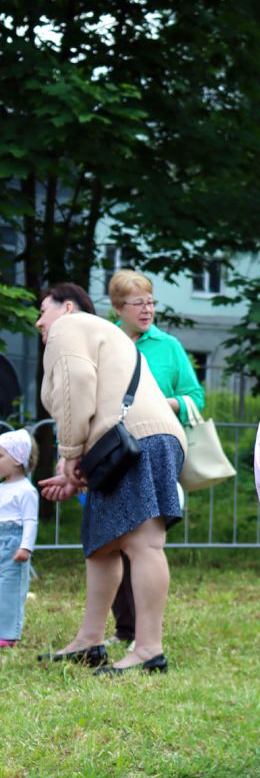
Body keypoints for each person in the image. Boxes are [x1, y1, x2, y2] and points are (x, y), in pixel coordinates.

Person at [35, 297, 186, 673]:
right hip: (136, 440)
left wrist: (69, 455)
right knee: (103, 545)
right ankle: (89, 642)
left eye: (43, 311)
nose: (39, 322)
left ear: (66, 307)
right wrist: (73, 469)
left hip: (138, 440)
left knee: (143, 544)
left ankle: (149, 649)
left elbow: (77, 385)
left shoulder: (67, 327)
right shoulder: (99, 332)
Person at [107, 270, 205, 645]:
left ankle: (143, 633)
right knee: (113, 540)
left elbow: (195, 398)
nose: (147, 309)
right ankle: (125, 628)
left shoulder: (168, 346)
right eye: (138, 303)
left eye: (151, 301)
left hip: (157, 454)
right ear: (119, 308)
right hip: (114, 452)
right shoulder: (107, 342)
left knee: (143, 543)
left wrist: (166, 404)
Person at [0, 429, 39, 649]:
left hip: (13, 544)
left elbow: (30, 521)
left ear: (17, 459)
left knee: (11, 588)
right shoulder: (2, 487)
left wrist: (26, 547)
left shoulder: (25, 491)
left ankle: (8, 633)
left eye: (0, 456)